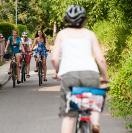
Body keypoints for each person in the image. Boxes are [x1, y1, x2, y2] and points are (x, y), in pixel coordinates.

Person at [51, 5, 109, 133]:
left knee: (70, 115)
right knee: (93, 102)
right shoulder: (90, 34)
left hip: (69, 75)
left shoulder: (62, 34)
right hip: (91, 73)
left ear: (66, 19)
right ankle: (95, 123)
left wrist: (57, 71)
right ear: (84, 20)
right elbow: (100, 59)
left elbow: (54, 59)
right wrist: (105, 77)